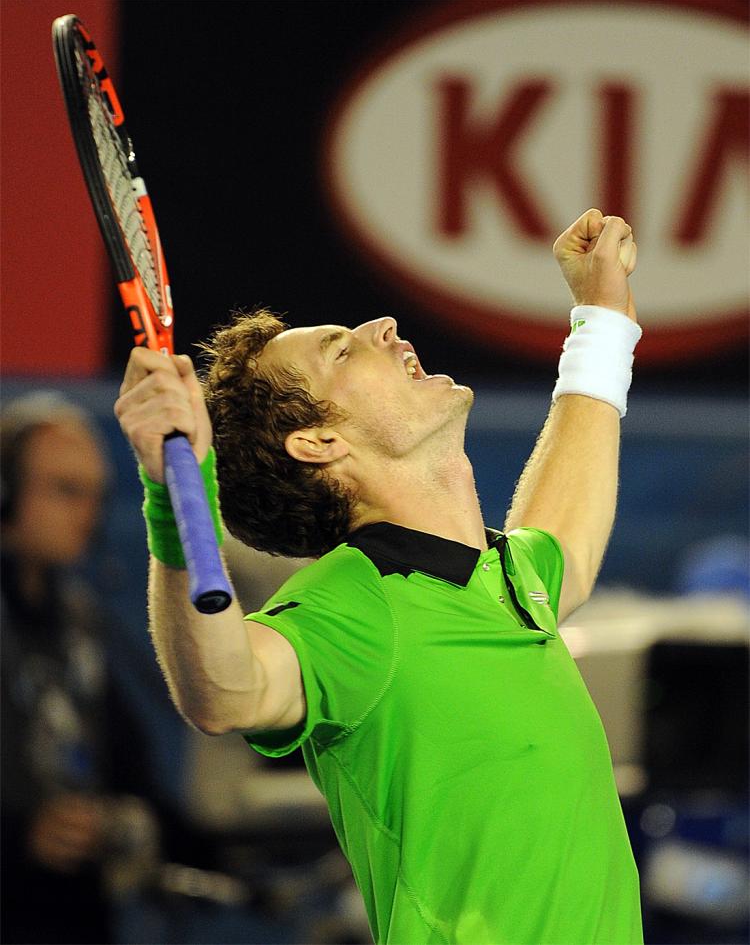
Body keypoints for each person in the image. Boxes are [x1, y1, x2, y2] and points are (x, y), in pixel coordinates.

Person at [114, 208, 645, 944]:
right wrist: (176, 506)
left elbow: (566, 529)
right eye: (342, 349)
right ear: (318, 440)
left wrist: (603, 316)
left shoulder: (509, 579)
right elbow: (225, 691)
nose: (384, 325)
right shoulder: (352, 605)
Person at [0, 393, 158, 945]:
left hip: (73, 914)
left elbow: (133, 764)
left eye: (95, 495)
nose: (87, 515)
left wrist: (124, 822)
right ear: (5, 493)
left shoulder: (80, 621)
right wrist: (20, 837)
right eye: (65, 490)